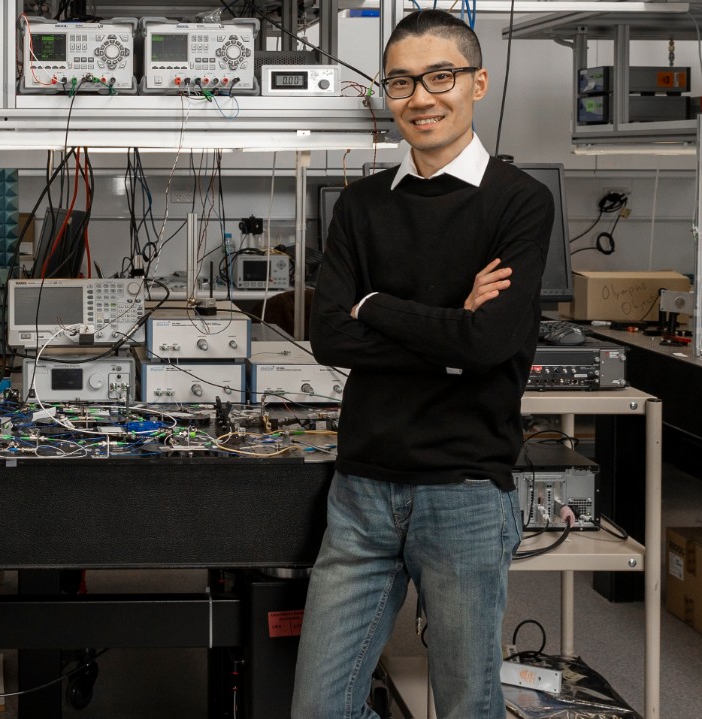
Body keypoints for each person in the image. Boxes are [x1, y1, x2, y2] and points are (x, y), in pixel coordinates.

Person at [293, 10, 553, 718]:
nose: (421, 96)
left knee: (467, 706)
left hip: (464, 490)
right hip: (362, 492)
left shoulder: (520, 202)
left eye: (441, 76)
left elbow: (490, 344)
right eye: (401, 81)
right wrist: (450, 334)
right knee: (320, 707)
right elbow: (328, 339)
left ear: (478, 83)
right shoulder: (360, 205)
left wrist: (374, 303)